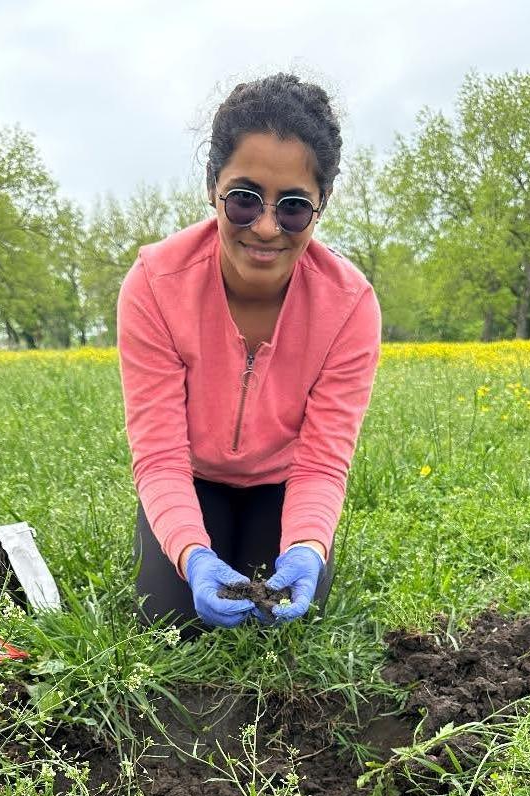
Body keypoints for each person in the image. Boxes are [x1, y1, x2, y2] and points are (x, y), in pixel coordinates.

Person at [116, 73, 381, 631]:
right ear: (213, 186)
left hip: (282, 485)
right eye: (244, 200)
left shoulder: (351, 305)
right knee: (171, 618)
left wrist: (308, 545)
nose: (265, 227)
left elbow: (321, 463)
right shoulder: (154, 283)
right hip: (192, 477)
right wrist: (191, 552)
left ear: (321, 204)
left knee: (283, 618)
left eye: (292, 207)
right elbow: (160, 457)